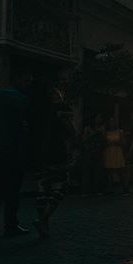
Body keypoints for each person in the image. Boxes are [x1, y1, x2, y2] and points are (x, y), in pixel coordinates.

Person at [0, 70, 33, 236]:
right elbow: (23, 126)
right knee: (12, 185)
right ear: (16, 79)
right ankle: (6, 221)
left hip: (1, 146)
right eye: (25, 81)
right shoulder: (21, 99)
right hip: (14, 147)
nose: (28, 84)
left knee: (7, 183)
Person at [33, 89, 75, 238]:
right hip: (58, 154)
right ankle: (43, 218)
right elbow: (71, 132)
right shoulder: (61, 112)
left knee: (43, 188)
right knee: (62, 187)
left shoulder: (39, 112)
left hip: (39, 154)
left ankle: (44, 225)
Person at [79, 114, 106, 195]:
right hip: (89, 151)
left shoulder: (102, 127)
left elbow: (104, 139)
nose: (99, 119)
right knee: (87, 171)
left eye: (100, 118)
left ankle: (97, 189)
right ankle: (86, 190)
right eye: (98, 118)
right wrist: (92, 133)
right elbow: (83, 139)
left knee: (98, 171)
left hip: (98, 151)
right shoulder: (88, 127)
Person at [103, 116, 126, 192]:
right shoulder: (106, 132)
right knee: (109, 171)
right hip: (109, 152)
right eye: (110, 121)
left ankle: (124, 187)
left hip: (117, 151)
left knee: (120, 170)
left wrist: (117, 143)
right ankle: (110, 188)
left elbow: (123, 143)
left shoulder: (120, 131)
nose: (111, 123)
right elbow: (104, 142)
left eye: (113, 121)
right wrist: (108, 144)